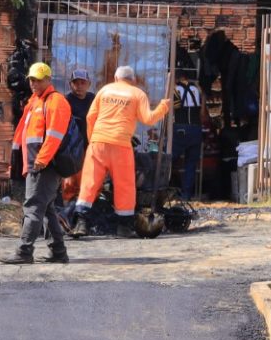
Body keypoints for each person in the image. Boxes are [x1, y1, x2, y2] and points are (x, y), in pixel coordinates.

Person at [70, 66, 171, 239]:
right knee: (125, 186)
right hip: (121, 145)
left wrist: (93, 139)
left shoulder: (104, 90)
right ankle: (123, 227)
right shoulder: (137, 94)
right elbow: (148, 119)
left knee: (89, 183)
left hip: (98, 143)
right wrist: (163, 107)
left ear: (116, 78)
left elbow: (90, 117)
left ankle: (81, 223)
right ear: (132, 80)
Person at [2, 62, 72, 265]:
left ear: (48, 79)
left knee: (33, 207)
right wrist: (16, 163)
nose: (34, 83)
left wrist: (42, 159)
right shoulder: (34, 102)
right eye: (31, 79)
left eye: (38, 79)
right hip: (35, 163)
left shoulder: (55, 101)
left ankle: (24, 251)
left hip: (45, 165)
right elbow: (22, 135)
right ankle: (58, 252)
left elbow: (54, 135)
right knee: (47, 208)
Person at [173, 66, 205, 201]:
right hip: (196, 129)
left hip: (181, 129)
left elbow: (171, 110)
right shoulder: (197, 89)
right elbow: (202, 112)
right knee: (191, 164)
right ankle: (186, 195)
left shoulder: (176, 89)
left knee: (169, 160)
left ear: (177, 78)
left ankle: (164, 189)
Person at [66, 68, 94, 143]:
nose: (79, 86)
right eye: (76, 83)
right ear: (70, 84)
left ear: (89, 84)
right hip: (73, 143)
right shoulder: (66, 101)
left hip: (90, 141)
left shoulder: (93, 98)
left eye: (83, 83)